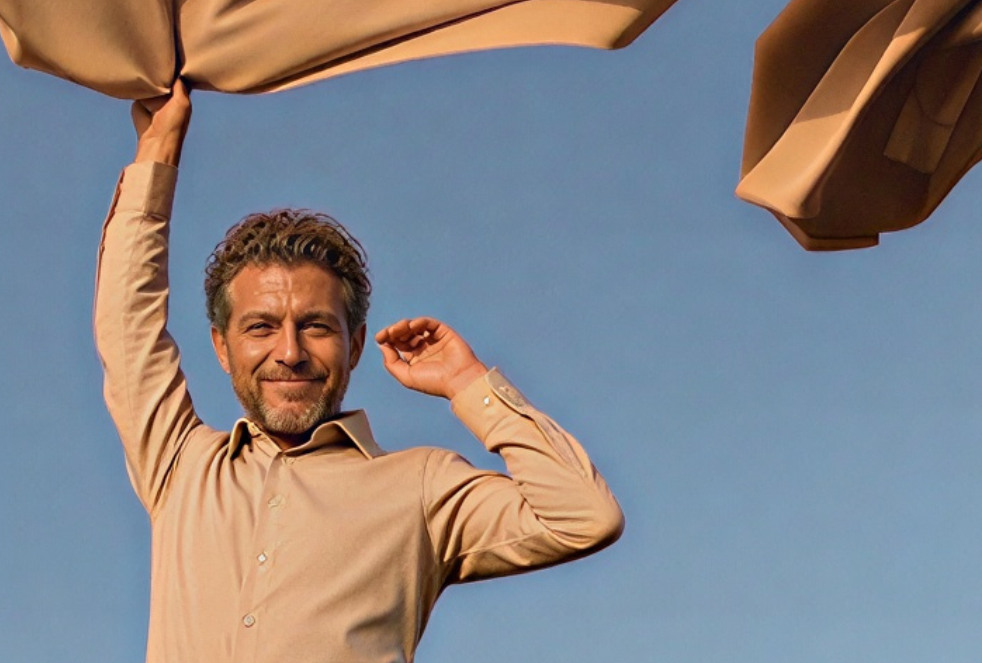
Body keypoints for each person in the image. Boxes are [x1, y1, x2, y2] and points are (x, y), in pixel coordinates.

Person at [94, 81, 623, 663]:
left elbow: (585, 518)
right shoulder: (181, 464)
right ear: (222, 348)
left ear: (355, 347)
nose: (290, 352)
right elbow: (127, 324)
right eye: (261, 327)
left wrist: (467, 382)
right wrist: (157, 154)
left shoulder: (421, 488)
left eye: (316, 326)